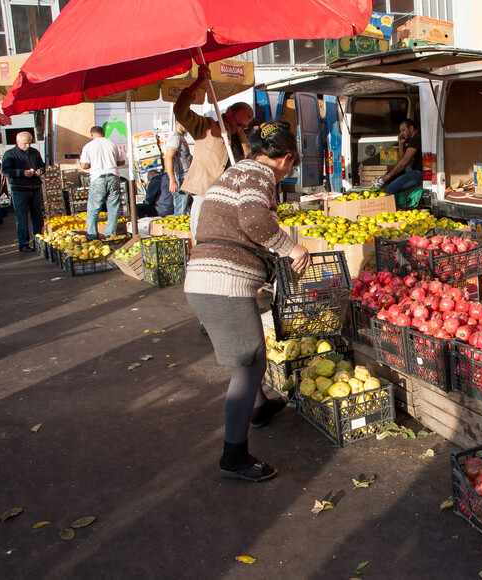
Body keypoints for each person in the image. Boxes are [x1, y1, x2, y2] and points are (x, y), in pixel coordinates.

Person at [184, 121, 310, 482]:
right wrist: (291, 247)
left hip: (211, 280)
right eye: (292, 165)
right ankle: (234, 456)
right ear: (285, 159)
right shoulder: (258, 173)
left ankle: (260, 409)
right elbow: (253, 219)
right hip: (222, 285)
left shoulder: (239, 170)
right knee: (249, 364)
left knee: (248, 351)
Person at [173, 65, 254, 236]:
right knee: (201, 233)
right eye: (238, 123)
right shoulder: (207, 127)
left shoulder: (241, 139)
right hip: (205, 192)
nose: (240, 128)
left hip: (229, 195)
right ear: (229, 112)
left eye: (244, 126)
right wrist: (197, 83)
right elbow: (180, 112)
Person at [79, 125, 126, 240]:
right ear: (104, 133)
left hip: (98, 177)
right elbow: (121, 161)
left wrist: (93, 163)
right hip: (113, 176)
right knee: (113, 206)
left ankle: (92, 235)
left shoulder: (88, 146)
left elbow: (84, 165)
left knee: (94, 208)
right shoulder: (112, 143)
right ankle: (110, 234)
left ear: (92, 134)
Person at [2, 132, 45, 252]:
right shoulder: (10, 154)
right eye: (25, 143)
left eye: (30, 142)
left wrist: (40, 171)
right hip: (19, 190)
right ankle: (23, 243)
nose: (28, 145)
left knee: (37, 216)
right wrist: (22, 173)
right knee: (22, 218)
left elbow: (42, 165)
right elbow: (5, 171)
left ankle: (38, 241)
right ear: (18, 142)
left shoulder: (35, 152)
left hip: (35, 188)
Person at [379, 118, 422, 196]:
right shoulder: (412, 139)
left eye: (403, 130)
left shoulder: (415, 139)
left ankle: (392, 207)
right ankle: (382, 180)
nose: (401, 133)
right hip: (414, 169)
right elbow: (403, 158)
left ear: (411, 128)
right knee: (397, 170)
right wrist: (401, 144)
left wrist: (389, 175)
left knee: (390, 189)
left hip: (418, 173)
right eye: (400, 131)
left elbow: (405, 161)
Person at [164, 122, 193, 216]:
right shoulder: (175, 138)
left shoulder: (181, 137)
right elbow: (168, 157)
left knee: (186, 210)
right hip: (180, 179)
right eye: (184, 121)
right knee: (180, 212)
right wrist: (172, 180)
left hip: (185, 178)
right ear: (177, 123)